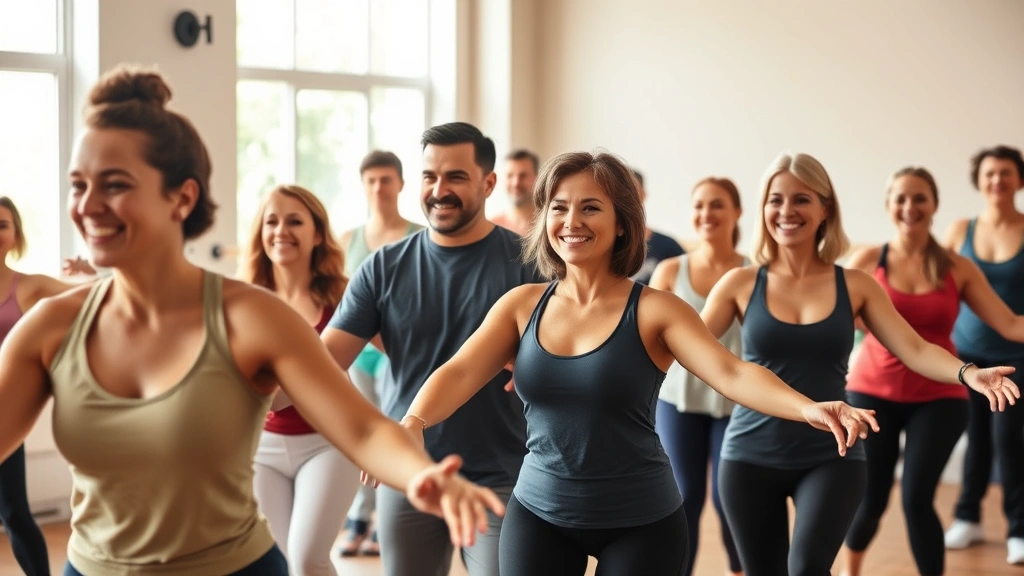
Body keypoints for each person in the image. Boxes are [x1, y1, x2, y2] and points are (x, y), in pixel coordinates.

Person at [0, 65, 503, 576]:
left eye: (114, 185)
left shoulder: (253, 319)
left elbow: (361, 428)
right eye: (77, 185)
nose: (88, 206)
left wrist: (422, 475)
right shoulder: (49, 327)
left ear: (183, 196)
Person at [400, 150, 888, 576]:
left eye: (591, 208)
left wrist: (808, 408)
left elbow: (731, 372)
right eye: (559, 207)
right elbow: (460, 371)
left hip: (641, 520)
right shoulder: (521, 305)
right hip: (539, 511)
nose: (572, 222)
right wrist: (414, 420)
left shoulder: (656, 309)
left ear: (623, 223)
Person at [700, 152, 1019, 576]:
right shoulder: (739, 284)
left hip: (832, 453)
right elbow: (691, 350)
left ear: (824, 208)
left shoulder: (855, 284)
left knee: (809, 567)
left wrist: (969, 373)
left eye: (801, 199)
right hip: (749, 455)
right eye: (775, 200)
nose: (787, 211)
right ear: (762, 209)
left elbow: (916, 349)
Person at [320, 122, 544, 576]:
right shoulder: (382, 268)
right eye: (429, 176)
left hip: (502, 473)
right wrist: (369, 438)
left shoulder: (529, 264)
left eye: (456, 177)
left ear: (488, 183)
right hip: (407, 471)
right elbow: (321, 368)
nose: (439, 190)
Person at [840, 166, 1024, 576]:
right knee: (870, 499)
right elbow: (835, 319)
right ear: (888, 206)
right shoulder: (868, 260)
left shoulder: (957, 268)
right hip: (872, 394)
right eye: (900, 198)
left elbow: (1010, 324)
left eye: (920, 198)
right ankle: (850, 570)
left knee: (916, 498)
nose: (910, 207)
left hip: (941, 396)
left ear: (935, 205)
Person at [242, 185, 361, 576]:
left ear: (318, 233)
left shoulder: (343, 295)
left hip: (327, 445)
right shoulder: (245, 298)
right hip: (263, 449)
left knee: (308, 559)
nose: (281, 230)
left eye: (295, 221)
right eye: (271, 221)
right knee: (277, 560)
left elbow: (404, 350)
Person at [648, 177, 746, 576]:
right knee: (684, 497)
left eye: (717, 205)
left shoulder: (753, 271)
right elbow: (649, 335)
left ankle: (741, 568)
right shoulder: (671, 270)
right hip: (678, 401)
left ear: (737, 212)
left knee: (731, 500)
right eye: (700, 205)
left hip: (734, 402)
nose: (707, 214)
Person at [336, 150, 423, 557]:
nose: (378, 188)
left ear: (401, 184)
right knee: (360, 435)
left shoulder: (418, 237)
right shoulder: (347, 240)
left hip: (397, 356)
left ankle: (384, 518)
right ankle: (359, 515)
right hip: (357, 358)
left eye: (386, 179)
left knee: (391, 431)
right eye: (371, 180)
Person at [942, 144, 1024, 564]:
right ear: (980, 180)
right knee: (974, 440)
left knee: (1010, 441)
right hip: (967, 358)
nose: (997, 180)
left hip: (1016, 356)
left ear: (1019, 180)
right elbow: (938, 286)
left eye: (1005, 173)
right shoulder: (960, 230)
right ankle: (967, 517)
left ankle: (1018, 529)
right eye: (989, 173)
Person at [0, 197, 82, 576]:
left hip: (4, 413)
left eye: (2, 225)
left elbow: (98, 299)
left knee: (14, 512)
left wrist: (92, 268)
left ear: (15, 236)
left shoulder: (28, 287)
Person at [629, 168, 685, 285]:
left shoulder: (668, 246)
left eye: (632, 190)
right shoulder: (603, 246)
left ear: (643, 195)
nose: (626, 197)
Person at [491, 149, 539, 237]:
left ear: (537, 179)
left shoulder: (549, 225)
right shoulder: (492, 228)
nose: (516, 183)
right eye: (510, 175)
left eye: (523, 176)